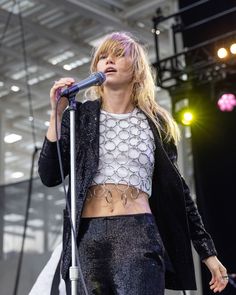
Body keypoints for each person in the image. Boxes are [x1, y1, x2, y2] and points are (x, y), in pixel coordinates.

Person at [38, 32, 228, 295]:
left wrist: (208, 253)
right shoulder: (79, 117)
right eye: (103, 56)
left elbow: (179, 192)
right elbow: (49, 175)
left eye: (118, 54)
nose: (108, 61)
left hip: (137, 236)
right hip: (88, 240)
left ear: (137, 69)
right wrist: (56, 115)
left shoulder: (156, 123)